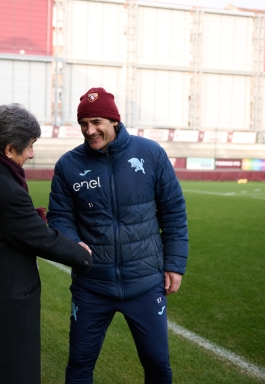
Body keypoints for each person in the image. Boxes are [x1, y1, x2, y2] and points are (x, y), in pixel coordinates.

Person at [0, 104, 93, 384]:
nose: (32, 153)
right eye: (30, 146)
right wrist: (82, 254)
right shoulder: (7, 192)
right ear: (9, 149)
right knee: (5, 372)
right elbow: (41, 238)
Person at [47, 87, 189, 383]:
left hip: (145, 282)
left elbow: (173, 211)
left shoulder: (150, 153)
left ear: (114, 121)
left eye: (96, 122)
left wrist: (174, 264)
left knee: (157, 364)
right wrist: (73, 243)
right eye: (84, 124)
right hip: (91, 286)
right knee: (79, 365)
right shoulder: (68, 165)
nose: (90, 130)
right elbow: (60, 216)